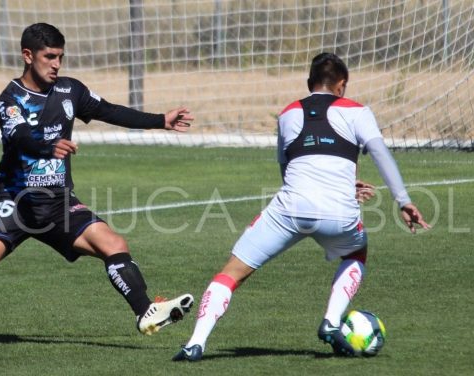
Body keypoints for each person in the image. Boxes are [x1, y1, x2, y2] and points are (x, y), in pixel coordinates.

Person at [0, 23, 195, 349]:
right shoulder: (11, 99)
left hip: (58, 204)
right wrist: (48, 147)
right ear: (28, 56)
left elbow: (109, 110)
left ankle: (145, 312)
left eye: (60, 57)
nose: (56, 64)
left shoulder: (70, 91)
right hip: (17, 203)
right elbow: (19, 138)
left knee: (113, 243)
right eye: (49, 56)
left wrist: (160, 121)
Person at [172, 52, 430, 361]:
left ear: (310, 84)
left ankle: (195, 343)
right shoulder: (358, 111)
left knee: (232, 273)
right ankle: (331, 323)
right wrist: (404, 201)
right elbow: (380, 156)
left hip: (289, 209)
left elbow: (289, 166)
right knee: (356, 253)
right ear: (342, 85)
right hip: (339, 215)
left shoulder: (287, 113)